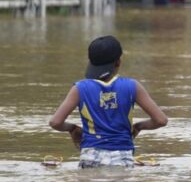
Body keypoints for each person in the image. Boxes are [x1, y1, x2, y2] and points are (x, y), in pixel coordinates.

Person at [48, 35, 168, 168]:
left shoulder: (79, 88)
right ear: (118, 62)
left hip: (90, 157)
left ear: (90, 61)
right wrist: (138, 127)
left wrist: (72, 128)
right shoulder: (133, 86)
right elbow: (161, 120)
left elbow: (55, 122)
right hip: (122, 158)